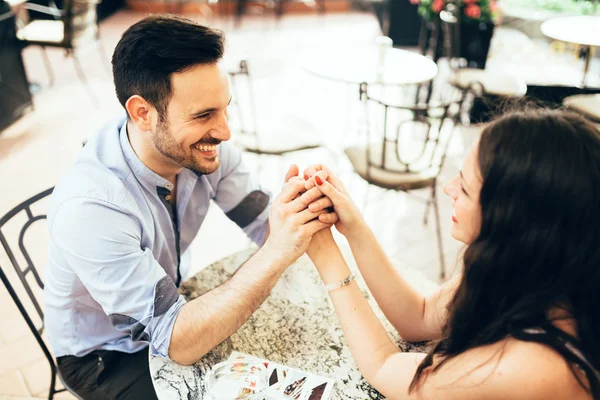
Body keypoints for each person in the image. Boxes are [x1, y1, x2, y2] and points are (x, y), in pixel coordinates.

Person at [44, 15, 336, 399]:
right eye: (203, 115)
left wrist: (299, 208)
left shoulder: (202, 150)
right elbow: (177, 339)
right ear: (142, 113)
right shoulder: (91, 208)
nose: (225, 132)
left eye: (223, 108)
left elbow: (266, 224)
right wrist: (278, 250)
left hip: (170, 304)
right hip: (105, 357)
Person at [304, 109, 600, 399]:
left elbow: (386, 369)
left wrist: (326, 256)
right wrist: (354, 227)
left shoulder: (529, 366)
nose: (449, 188)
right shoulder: (535, 270)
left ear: (512, 223)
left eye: (466, 188)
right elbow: (418, 317)